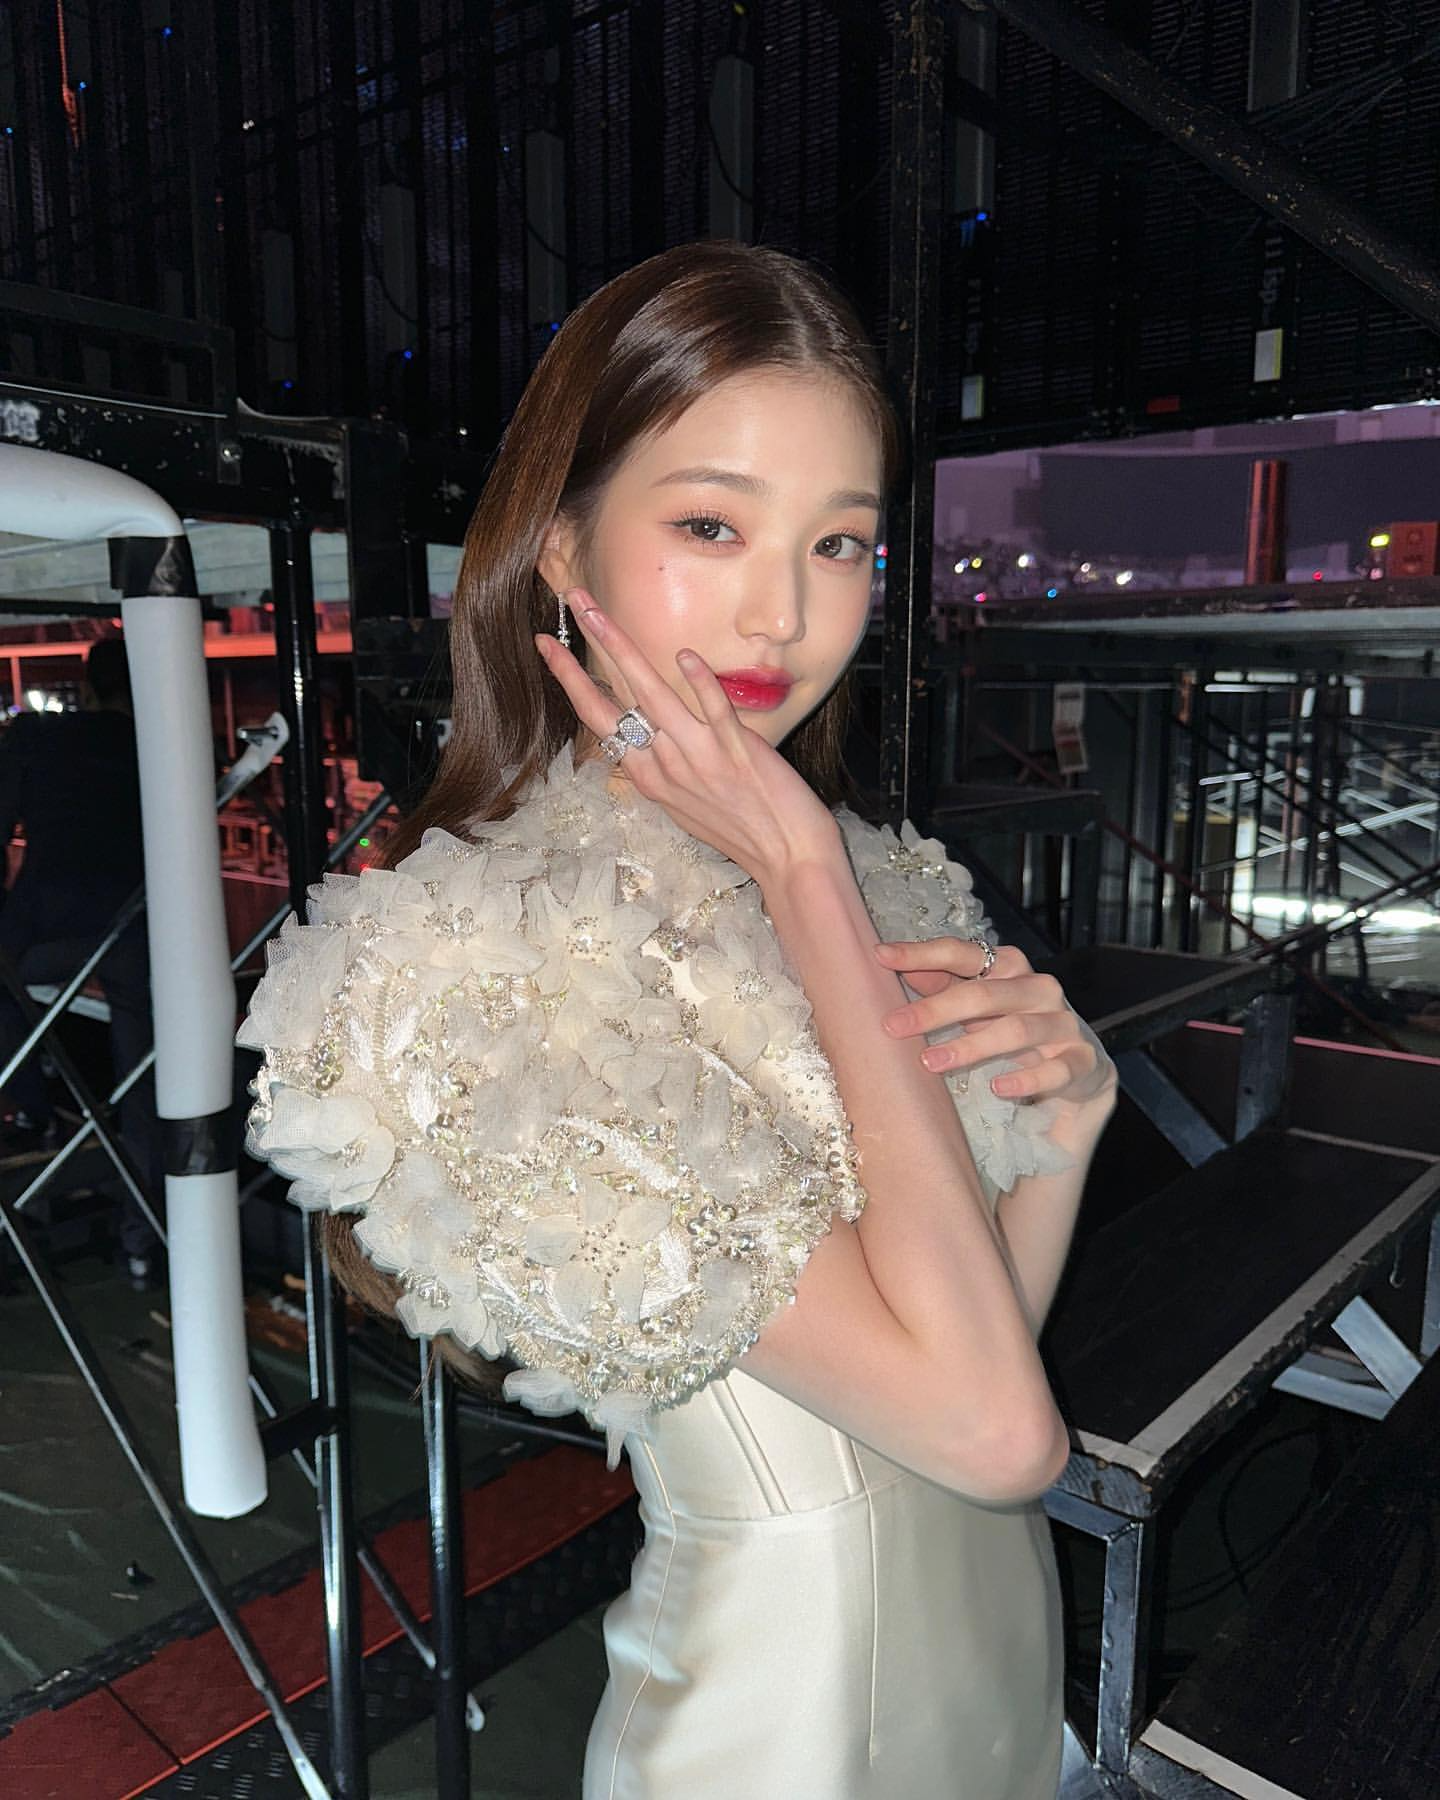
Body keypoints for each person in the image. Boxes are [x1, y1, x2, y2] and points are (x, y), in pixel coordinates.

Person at [239, 241, 1117, 1798]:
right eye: (712, 524)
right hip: (776, 1737)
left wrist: (1065, 1124)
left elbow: (976, 1374)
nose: (782, 610)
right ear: (561, 545)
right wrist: (802, 880)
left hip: (991, 1670)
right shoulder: (486, 960)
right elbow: (999, 1436)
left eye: (840, 543)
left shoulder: (872, 882)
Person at [0, 637, 162, 1281]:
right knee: (143, 1082)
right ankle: (141, 1240)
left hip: (43, 921)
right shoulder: (157, 745)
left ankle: (30, 1104)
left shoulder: (37, 740)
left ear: (89, 687)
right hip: (134, 923)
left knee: (6, 993)